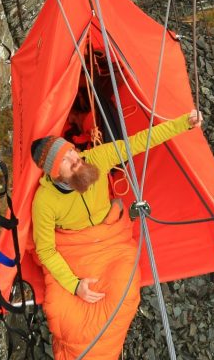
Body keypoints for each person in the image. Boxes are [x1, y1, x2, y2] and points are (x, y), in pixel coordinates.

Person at [31, 109, 203, 302]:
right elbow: (46, 250)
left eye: (70, 150)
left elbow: (139, 142)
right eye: (63, 159)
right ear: (54, 173)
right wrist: (75, 285)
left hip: (111, 232)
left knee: (124, 288)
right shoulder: (44, 202)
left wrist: (183, 122)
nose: (74, 159)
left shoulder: (97, 158)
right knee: (66, 311)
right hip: (75, 245)